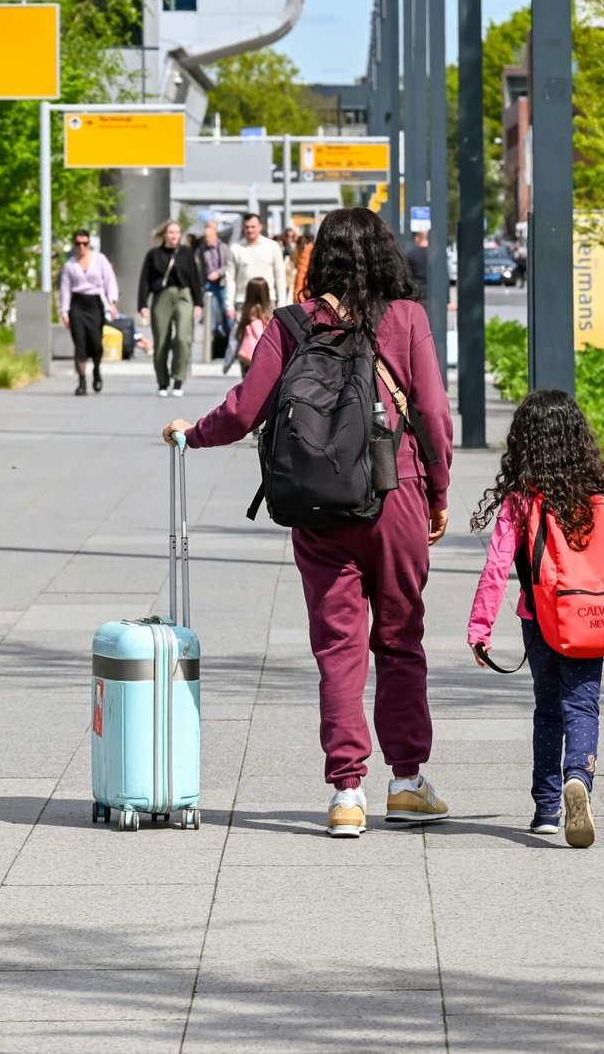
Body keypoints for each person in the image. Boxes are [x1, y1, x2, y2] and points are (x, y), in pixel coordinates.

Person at [162, 207, 455, 839]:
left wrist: (194, 434)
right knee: (401, 639)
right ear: (383, 255)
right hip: (396, 491)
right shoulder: (406, 318)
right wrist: (438, 490)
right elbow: (432, 413)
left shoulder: (292, 323)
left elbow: (244, 411)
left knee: (338, 646)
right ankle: (406, 783)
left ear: (320, 256)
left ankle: (346, 792)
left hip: (318, 501)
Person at [466, 389, 604, 849]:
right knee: (582, 705)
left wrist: (480, 630)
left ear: (523, 442)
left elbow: (495, 569)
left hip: (541, 620)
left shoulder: (519, 500)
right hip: (593, 618)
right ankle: (579, 780)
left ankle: (547, 809)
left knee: (548, 710)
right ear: (578, 437)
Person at [137, 220, 203, 398]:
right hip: (162, 297)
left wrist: (199, 303)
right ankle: (162, 381)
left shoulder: (186, 253)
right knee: (161, 340)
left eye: (177, 232)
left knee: (183, 337)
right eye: (171, 232)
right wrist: (142, 304)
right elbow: (144, 279)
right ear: (164, 234)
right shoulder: (154, 255)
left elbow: (195, 278)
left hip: (184, 295)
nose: (174, 236)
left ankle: (179, 379)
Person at [59, 229, 119, 396]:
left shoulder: (99, 260)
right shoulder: (70, 265)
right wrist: (64, 312)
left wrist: (112, 302)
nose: (82, 247)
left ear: (89, 244)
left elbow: (110, 280)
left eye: (85, 243)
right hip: (77, 305)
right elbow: (65, 290)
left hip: (95, 304)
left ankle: (97, 370)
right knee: (79, 344)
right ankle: (82, 381)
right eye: (78, 244)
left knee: (95, 343)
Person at [226, 213, 289, 323]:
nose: (250, 230)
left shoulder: (272, 246)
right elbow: (230, 278)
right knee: (243, 338)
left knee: (269, 338)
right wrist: (229, 304)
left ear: (260, 226)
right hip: (243, 301)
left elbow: (280, 275)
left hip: (268, 301)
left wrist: (282, 302)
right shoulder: (235, 249)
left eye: (253, 227)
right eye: (247, 227)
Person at [221, 278, 271, 377]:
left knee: (247, 385)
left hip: (246, 356)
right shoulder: (270, 315)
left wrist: (227, 363)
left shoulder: (244, 314)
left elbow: (234, 340)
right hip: (265, 357)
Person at [199, 221, 232, 358]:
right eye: (205, 237)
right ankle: (211, 346)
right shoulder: (201, 250)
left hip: (222, 283)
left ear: (215, 236)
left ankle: (228, 344)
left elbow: (228, 265)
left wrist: (218, 273)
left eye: (210, 236)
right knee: (210, 314)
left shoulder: (223, 247)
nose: (207, 239)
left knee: (227, 314)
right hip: (208, 285)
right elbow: (199, 267)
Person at [405, 230, 430, 300]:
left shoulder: (411, 255)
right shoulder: (435, 255)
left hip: (417, 293)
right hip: (433, 294)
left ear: (417, 238)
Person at [289, 233, 313, 302]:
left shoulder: (305, 253)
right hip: (303, 296)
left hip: (300, 296)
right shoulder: (309, 252)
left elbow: (301, 277)